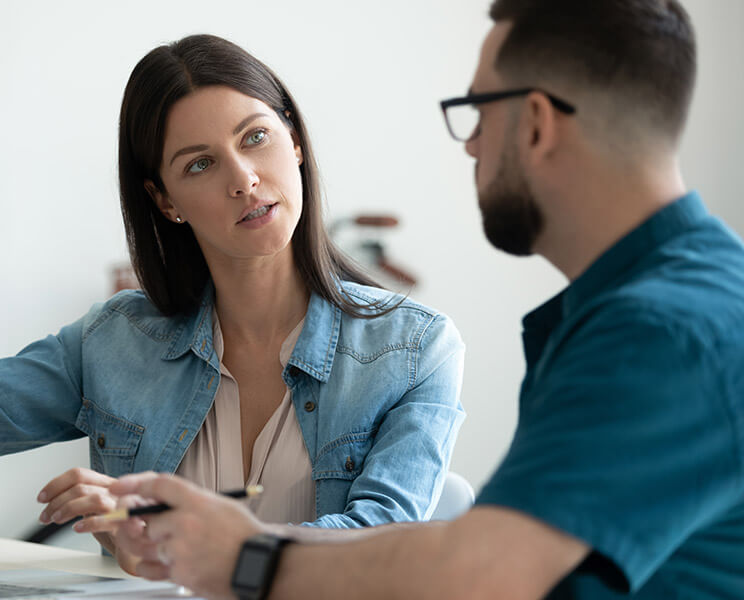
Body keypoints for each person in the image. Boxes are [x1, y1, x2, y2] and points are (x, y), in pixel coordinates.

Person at [103, 1, 744, 598]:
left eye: (480, 111)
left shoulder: (664, 330)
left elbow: (484, 571)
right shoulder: (662, 306)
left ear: (539, 124)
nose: (469, 144)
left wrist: (245, 555)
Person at [0, 34, 465, 573]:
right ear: (165, 198)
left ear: (295, 141)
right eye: (199, 164)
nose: (243, 178)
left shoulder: (414, 350)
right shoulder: (114, 342)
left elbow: (379, 542)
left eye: (256, 137)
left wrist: (178, 539)